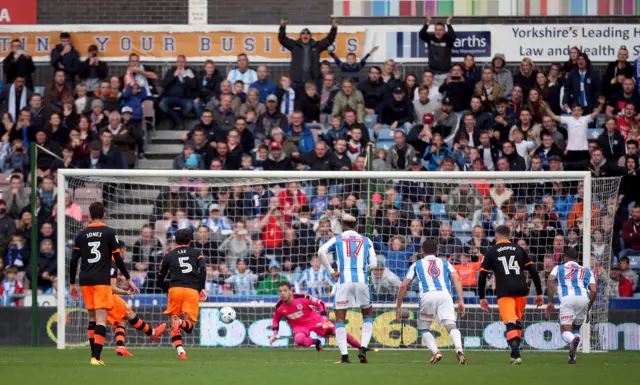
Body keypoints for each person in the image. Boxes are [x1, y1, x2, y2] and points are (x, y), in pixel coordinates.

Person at [69, 202, 138, 366]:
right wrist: (128, 279)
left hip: (85, 280)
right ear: (104, 215)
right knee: (101, 320)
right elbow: (118, 259)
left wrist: (72, 283)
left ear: (90, 215)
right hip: (101, 280)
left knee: (91, 319)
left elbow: (73, 261)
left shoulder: (81, 234)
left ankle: (93, 355)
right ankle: (96, 358)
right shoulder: (109, 232)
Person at [477, 225, 543, 365]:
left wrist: (482, 297)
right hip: (521, 289)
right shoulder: (519, 249)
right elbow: (533, 272)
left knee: (510, 322)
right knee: (517, 321)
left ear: (496, 235)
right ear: (510, 235)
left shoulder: (492, 251)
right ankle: (514, 354)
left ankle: (516, 353)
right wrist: (539, 293)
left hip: (504, 291)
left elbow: (482, 275)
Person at [395, 239, 467, 364]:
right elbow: (456, 278)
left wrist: (398, 307)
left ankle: (436, 352)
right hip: (445, 295)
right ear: (437, 251)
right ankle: (459, 347)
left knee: (423, 328)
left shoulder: (417, 264)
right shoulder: (445, 263)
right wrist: (460, 300)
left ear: (422, 251)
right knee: (451, 325)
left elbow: (403, 286)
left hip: (428, 296)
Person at [317, 214, 377, 364]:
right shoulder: (366, 240)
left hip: (344, 280)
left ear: (342, 227)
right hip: (362, 280)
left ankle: (344, 356)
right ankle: (363, 348)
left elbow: (320, 252)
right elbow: (374, 264)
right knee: (367, 315)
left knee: (339, 319)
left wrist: (331, 271)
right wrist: (364, 269)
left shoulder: (337, 239)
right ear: (356, 227)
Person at [269, 282, 368, 351]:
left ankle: (362, 348)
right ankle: (316, 342)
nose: (282, 293)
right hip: (299, 327)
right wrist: (275, 333)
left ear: (290, 291)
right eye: (280, 291)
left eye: (285, 290)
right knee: (299, 340)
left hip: (315, 320)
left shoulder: (303, 297)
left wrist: (324, 318)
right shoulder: (279, 307)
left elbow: (320, 303)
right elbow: (275, 320)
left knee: (336, 332)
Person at [107, 241, 167, 357]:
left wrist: (116, 277)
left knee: (122, 318)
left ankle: (120, 347)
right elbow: (111, 288)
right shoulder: (112, 264)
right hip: (106, 295)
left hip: (96, 294)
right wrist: (125, 292)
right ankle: (152, 333)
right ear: (122, 251)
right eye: (125, 252)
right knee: (128, 311)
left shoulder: (105, 261)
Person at [156, 228, 208, 361]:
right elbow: (202, 269)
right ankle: (180, 323)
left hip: (175, 290)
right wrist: (201, 288)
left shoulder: (169, 254)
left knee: (173, 323)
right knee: (189, 326)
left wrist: (167, 290)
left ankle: (181, 352)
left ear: (175, 241)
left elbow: (160, 278)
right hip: (191, 291)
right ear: (191, 241)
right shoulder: (197, 252)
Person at [545, 248, 596, 365]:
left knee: (565, 330)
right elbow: (593, 290)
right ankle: (572, 357)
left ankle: (573, 340)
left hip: (568, 299)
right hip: (584, 298)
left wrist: (550, 301)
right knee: (576, 328)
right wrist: (588, 308)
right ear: (577, 259)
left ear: (564, 258)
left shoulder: (559, 268)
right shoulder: (587, 270)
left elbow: (550, 280)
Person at [278, 18, 338, 89]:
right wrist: (282, 27)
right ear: (300, 36)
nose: (305, 35)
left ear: (310, 36)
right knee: (297, 99)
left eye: (307, 33)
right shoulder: (294, 45)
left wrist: (334, 28)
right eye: (303, 33)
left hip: (311, 80)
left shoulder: (317, 46)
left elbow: (329, 40)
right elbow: (282, 39)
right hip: (296, 80)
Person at [418, 14, 455, 87]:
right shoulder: (430, 38)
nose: (438, 32)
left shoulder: (448, 40)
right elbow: (421, 34)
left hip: (445, 74)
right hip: (432, 74)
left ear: (444, 31)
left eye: (441, 30)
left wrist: (448, 23)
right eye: (436, 30)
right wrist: (428, 23)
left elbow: (452, 36)